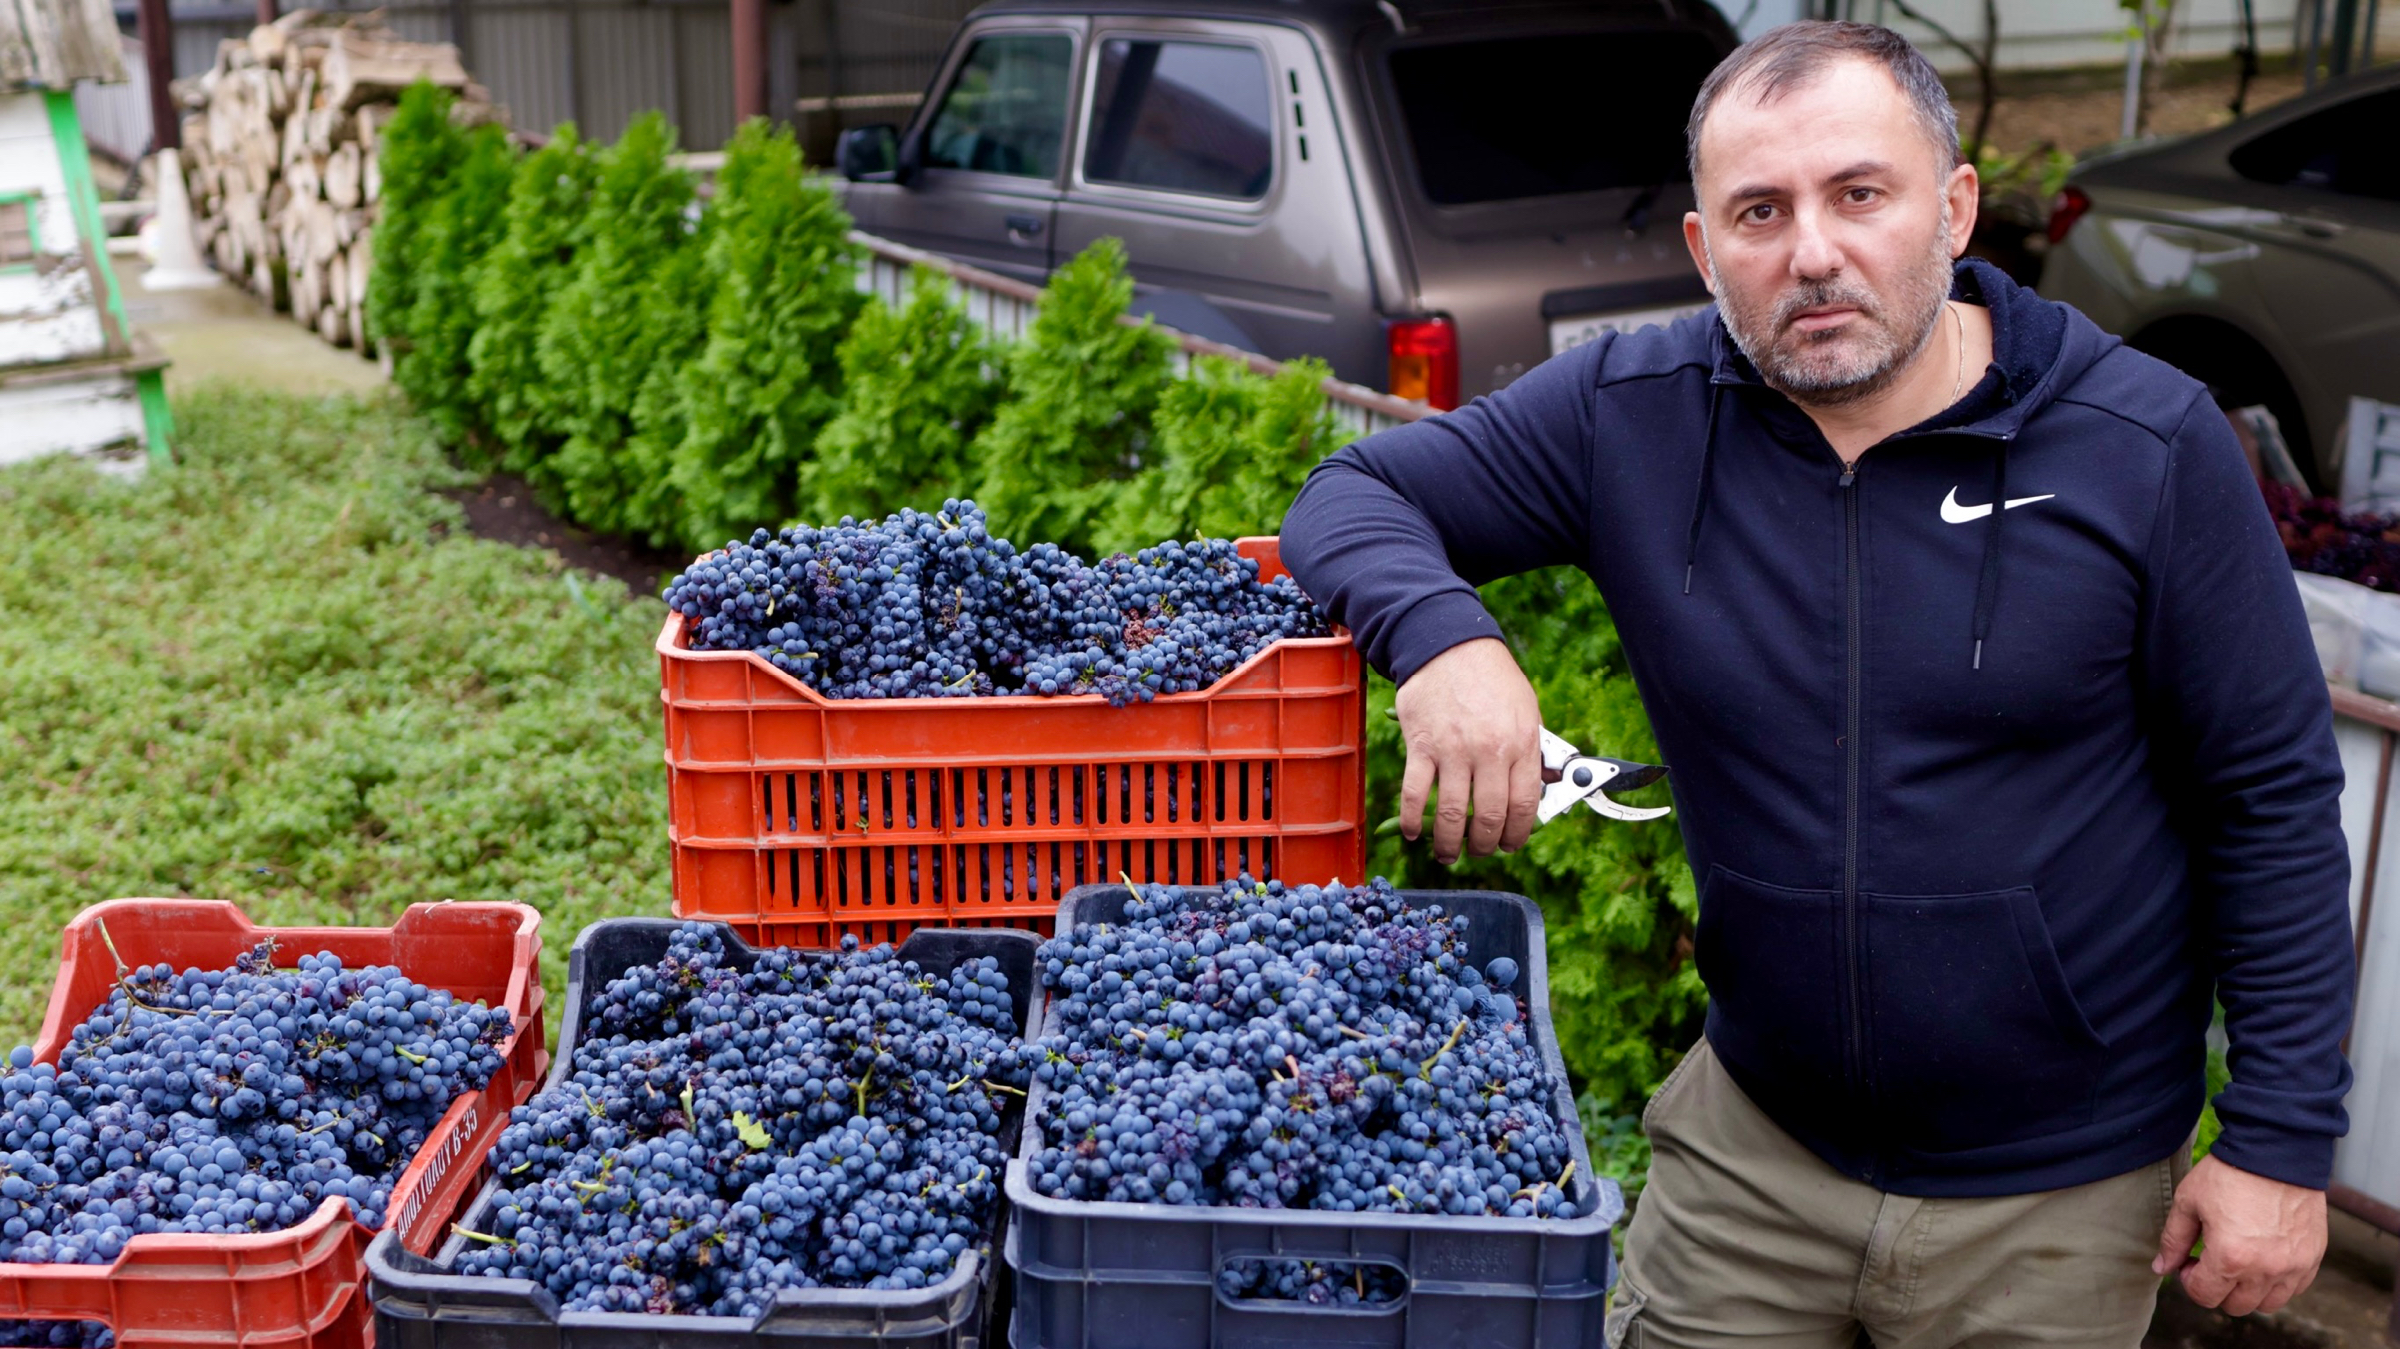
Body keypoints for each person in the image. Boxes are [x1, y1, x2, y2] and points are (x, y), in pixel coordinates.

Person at [1279, 21, 2355, 1348]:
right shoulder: (1640, 409)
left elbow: (2273, 801)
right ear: (1701, 247)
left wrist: (2281, 1140)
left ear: (1954, 208)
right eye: (1760, 211)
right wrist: (1446, 639)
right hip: (1753, 1164)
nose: (1813, 251)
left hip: (2055, 1202)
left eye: (1860, 193)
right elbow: (1351, 493)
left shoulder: (2146, 443)